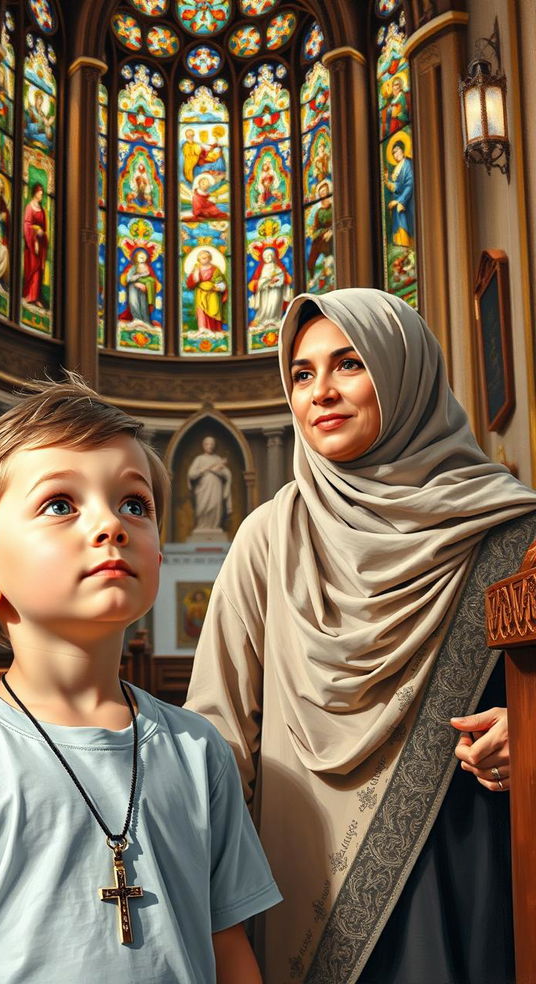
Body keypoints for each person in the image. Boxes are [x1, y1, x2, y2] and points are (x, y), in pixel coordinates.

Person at [186, 288, 536, 984]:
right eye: (302, 373)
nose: (321, 392)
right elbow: (220, 729)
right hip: (302, 871)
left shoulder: (514, 531)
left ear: (404, 372)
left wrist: (526, 732)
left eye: (348, 364)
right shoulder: (269, 537)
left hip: (470, 854)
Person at [0, 376, 281, 984]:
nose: (112, 524)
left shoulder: (198, 749)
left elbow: (229, 948)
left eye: (136, 504)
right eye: (60, 505)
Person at [187, 435, 232, 533]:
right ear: (203, 445)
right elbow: (191, 474)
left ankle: (214, 527)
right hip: (202, 488)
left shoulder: (218, 459)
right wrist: (204, 470)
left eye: (212, 444)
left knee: (215, 506)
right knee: (202, 508)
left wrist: (217, 470)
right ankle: (201, 526)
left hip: (216, 488)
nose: (210, 446)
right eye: (207, 444)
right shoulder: (199, 459)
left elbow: (226, 474)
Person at [249, 246, 292, 329]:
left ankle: (275, 319)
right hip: (265, 291)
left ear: (273, 256)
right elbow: (260, 280)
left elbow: (282, 277)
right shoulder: (262, 268)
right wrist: (266, 282)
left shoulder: (277, 267)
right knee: (265, 306)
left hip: (276, 290)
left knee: (275, 303)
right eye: (265, 257)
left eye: (269, 256)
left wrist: (276, 281)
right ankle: (263, 320)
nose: (267, 258)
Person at [186, 249, 228, 332]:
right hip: (200, 293)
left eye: (206, 258)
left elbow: (220, 281)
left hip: (212, 293)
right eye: (202, 258)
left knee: (214, 310)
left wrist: (219, 287)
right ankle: (202, 329)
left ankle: (215, 330)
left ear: (210, 258)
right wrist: (196, 276)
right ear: (199, 259)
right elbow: (190, 283)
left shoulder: (215, 269)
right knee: (201, 311)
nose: (204, 260)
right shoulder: (196, 268)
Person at [22, 181, 48, 307]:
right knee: (31, 269)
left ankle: (36, 296)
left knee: (38, 271)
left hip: (40, 245)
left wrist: (43, 235)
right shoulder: (29, 207)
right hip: (31, 245)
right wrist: (35, 234)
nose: (41, 194)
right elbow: (27, 225)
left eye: (42, 192)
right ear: (35, 192)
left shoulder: (42, 210)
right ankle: (28, 295)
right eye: (40, 191)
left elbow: (45, 228)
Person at [385, 140, 415, 248]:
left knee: (404, 229)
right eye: (393, 153)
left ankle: (407, 250)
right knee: (398, 233)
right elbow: (397, 187)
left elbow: (410, 185)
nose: (395, 155)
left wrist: (399, 201)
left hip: (406, 203)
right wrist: (387, 182)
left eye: (397, 151)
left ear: (403, 150)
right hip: (398, 204)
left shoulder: (407, 164)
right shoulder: (397, 168)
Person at [119, 247, 160, 326]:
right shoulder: (133, 267)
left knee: (143, 302)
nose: (143, 259)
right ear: (136, 258)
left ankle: (145, 320)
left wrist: (146, 286)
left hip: (144, 289)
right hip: (133, 286)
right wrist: (136, 281)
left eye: (144, 257)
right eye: (141, 257)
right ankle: (137, 318)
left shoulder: (148, 268)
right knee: (134, 297)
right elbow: (128, 278)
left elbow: (153, 280)